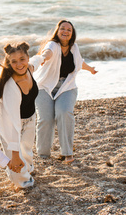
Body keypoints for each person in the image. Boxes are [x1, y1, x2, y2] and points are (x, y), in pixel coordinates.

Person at [31, 20, 97, 163]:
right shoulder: (53, 44)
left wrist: (90, 69)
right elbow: (47, 53)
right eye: (62, 28)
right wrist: (42, 58)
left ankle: (67, 153)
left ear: (72, 33)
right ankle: (43, 154)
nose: (65, 31)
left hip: (66, 87)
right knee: (46, 119)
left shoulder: (74, 48)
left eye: (69, 29)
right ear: (57, 30)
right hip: (45, 86)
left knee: (64, 112)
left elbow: (79, 63)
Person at [0, 42, 39, 190]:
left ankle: (27, 168)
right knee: (17, 165)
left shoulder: (29, 69)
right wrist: (14, 154)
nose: (19, 64)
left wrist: (46, 55)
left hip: (30, 119)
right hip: (11, 125)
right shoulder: (10, 86)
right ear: (9, 62)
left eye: (22, 59)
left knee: (27, 151)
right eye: (14, 61)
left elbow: (37, 61)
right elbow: (12, 124)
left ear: (27, 58)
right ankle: (23, 181)